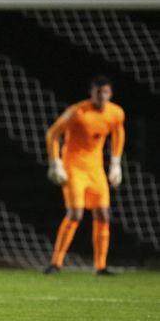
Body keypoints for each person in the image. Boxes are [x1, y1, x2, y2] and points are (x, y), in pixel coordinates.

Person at [44, 75, 125, 275]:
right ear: (92, 93)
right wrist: (55, 163)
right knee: (76, 214)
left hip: (96, 169)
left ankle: (101, 266)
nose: (102, 96)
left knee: (103, 214)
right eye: (98, 92)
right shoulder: (77, 111)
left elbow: (118, 134)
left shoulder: (115, 112)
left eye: (105, 92)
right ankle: (56, 262)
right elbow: (53, 133)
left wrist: (115, 163)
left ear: (110, 93)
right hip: (74, 168)